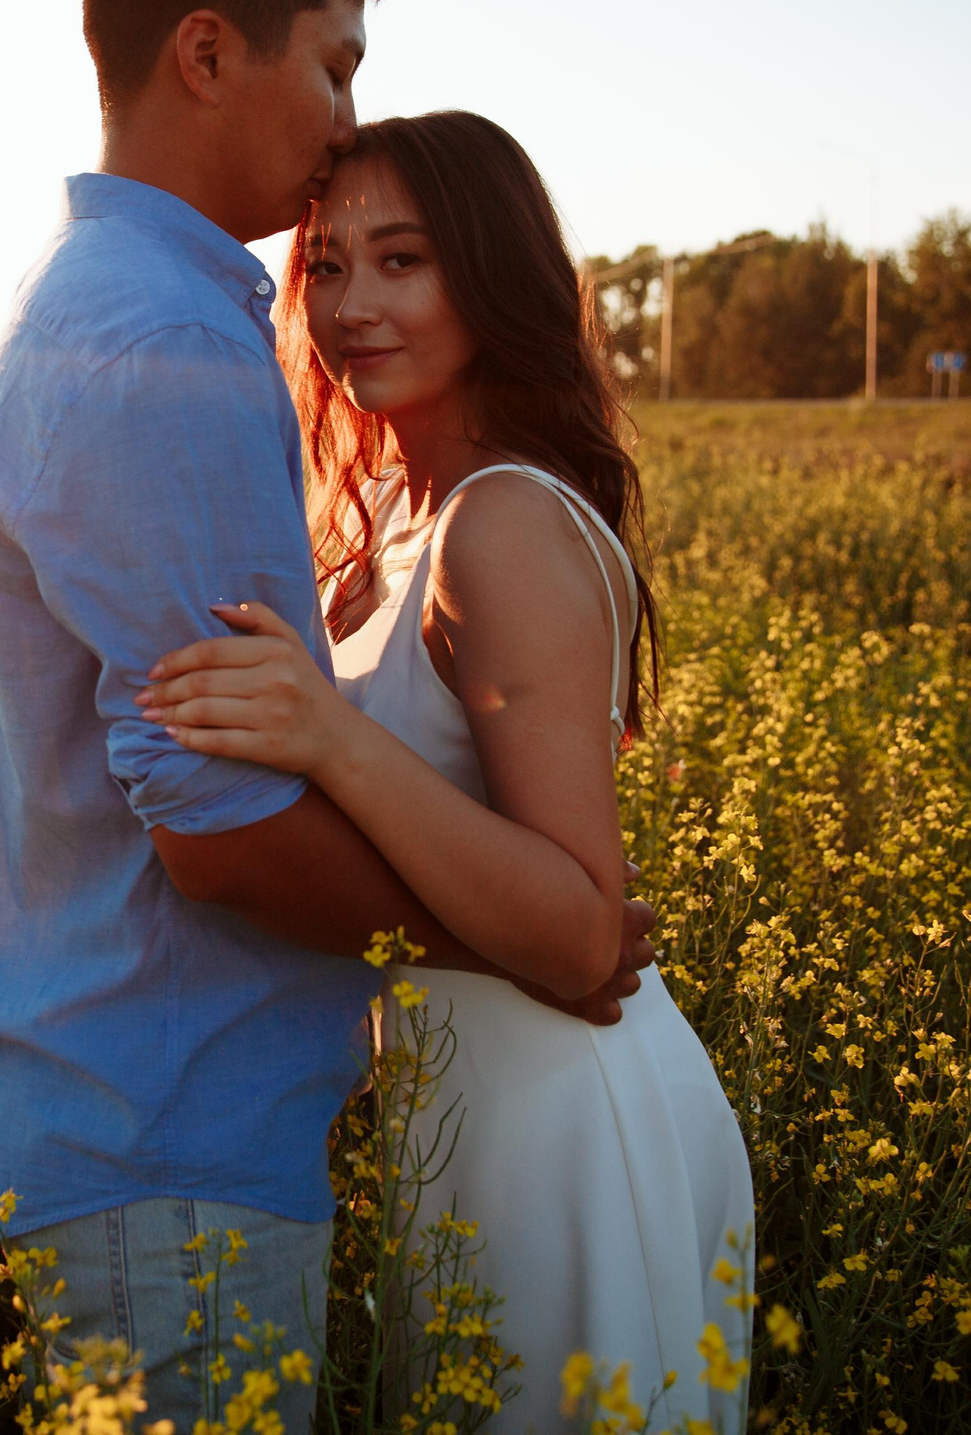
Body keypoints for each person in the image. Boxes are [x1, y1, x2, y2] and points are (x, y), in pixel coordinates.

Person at [0, 0, 655, 1434]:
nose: (338, 121)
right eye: (333, 64)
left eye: (402, 258)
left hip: (175, 1135)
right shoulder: (168, 331)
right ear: (205, 53)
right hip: (168, 1141)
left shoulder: (97, 293)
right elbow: (226, 832)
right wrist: (543, 946)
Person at [138, 110, 756, 1432]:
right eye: (327, 267)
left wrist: (329, 735)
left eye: (401, 261)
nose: (352, 304)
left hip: (561, 1112)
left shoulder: (504, 522)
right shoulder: (409, 512)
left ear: (491, 274)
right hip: (466, 1108)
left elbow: (585, 923)